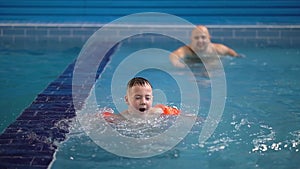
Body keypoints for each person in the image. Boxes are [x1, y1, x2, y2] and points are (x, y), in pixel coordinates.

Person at [101, 77, 180, 123]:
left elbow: (184, 116)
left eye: (147, 98)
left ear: (152, 99)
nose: (143, 102)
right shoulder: (121, 118)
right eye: (138, 98)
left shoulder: (160, 112)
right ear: (127, 100)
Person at [169, 25, 243, 68]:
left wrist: (237, 56)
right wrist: (177, 64)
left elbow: (234, 55)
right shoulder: (187, 50)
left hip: (211, 65)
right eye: (196, 38)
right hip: (193, 65)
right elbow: (174, 55)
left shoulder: (219, 49)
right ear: (191, 39)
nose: (200, 41)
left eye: (203, 37)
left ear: (209, 38)